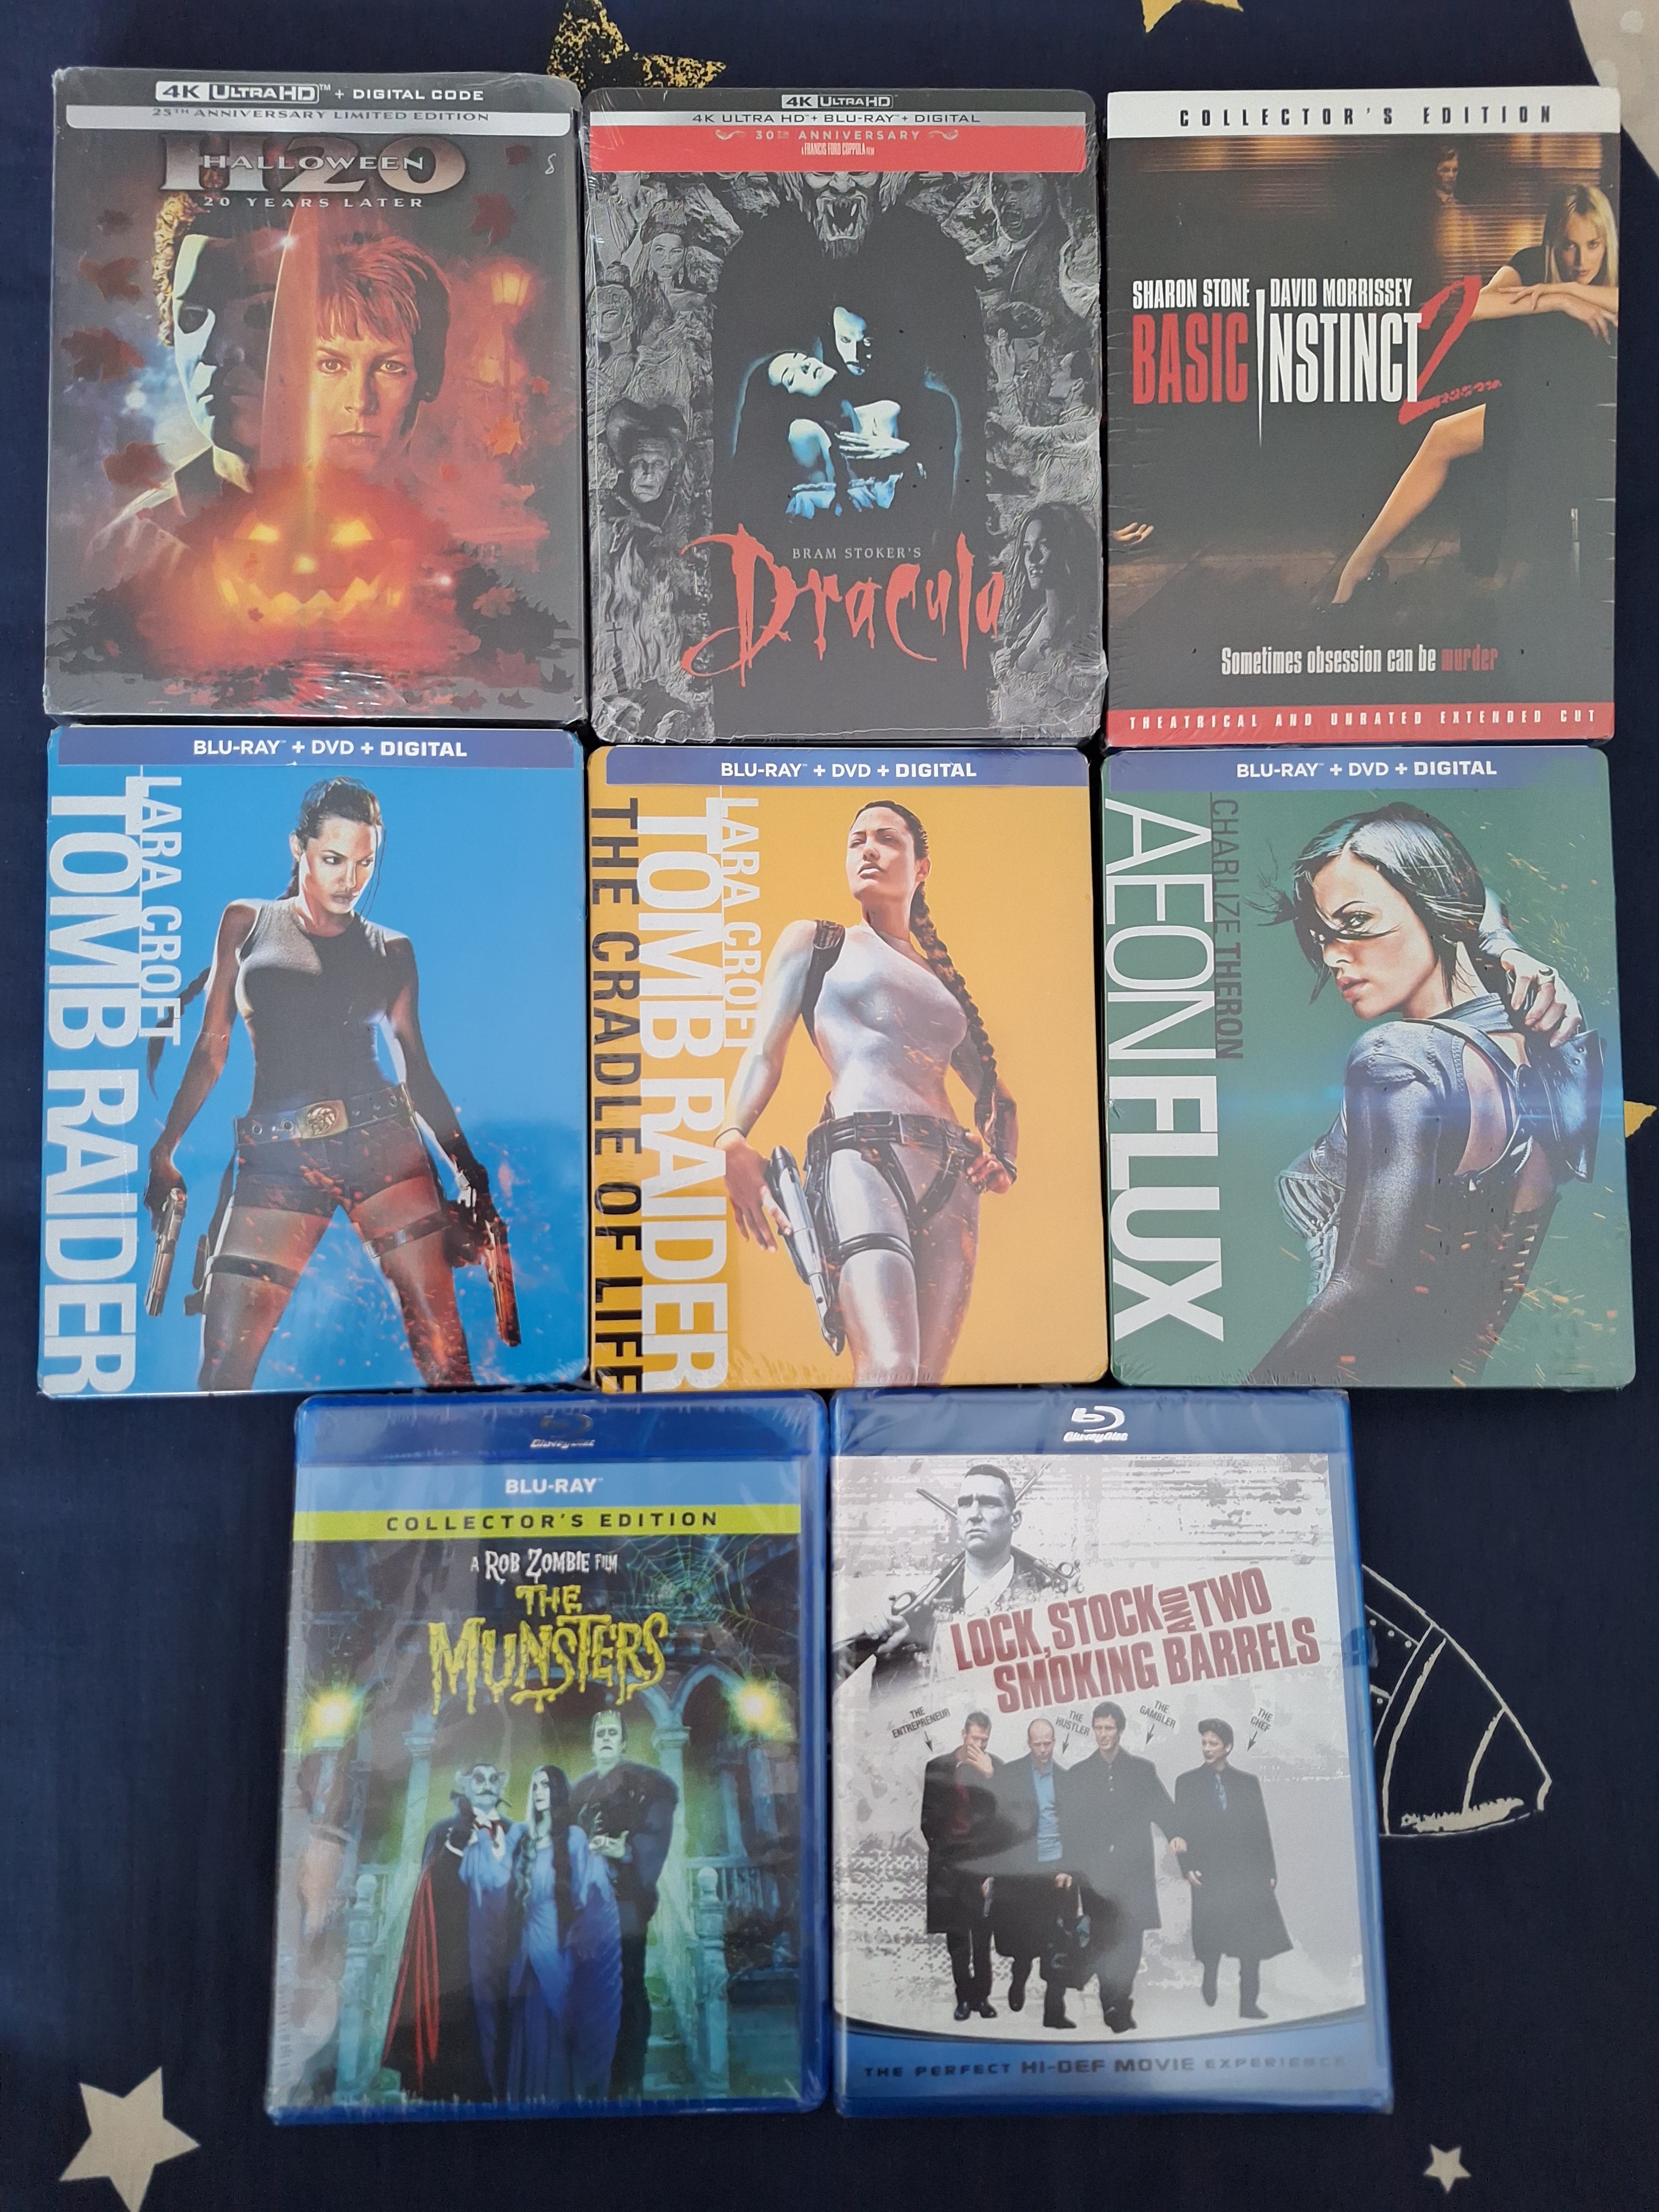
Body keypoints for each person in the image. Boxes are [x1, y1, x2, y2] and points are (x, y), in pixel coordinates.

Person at [143, 776, 505, 1391]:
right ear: (299, 847)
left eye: (364, 862)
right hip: (277, 1155)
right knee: (223, 1369)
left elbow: (415, 1070)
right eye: (334, 859)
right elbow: (212, 1048)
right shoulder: (246, 922)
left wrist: (468, 1169)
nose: (350, 879)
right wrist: (165, 1150)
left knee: (446, 1359)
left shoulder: (393, 950)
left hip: (383, 1145)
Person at [1248, 802, 1603, 1386]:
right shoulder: (1549, 1049)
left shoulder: (1397, 1058)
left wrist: (1241, 1405)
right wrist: (1503, 945)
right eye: (1323, 934)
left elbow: (1366, 1286)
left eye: (1356, 922)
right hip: (1441, 1392)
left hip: (1332, 1390)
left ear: (1438, 902)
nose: (1333, 955)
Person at [718, 800, 1017, 1386]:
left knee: (926, 1379)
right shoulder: (818, 943)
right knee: (888, 1365)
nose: (868, 851)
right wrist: (733, 1135)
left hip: (952, 1176)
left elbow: (998, 1097)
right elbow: (764, 1050)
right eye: (857, 842)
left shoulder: (942, 981)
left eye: (886, 839)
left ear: (921, 868)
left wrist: (1004, 1159)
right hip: (861, 1157)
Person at [1331, 183, 1618, 605]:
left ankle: (1367, 566)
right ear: (1553, 241)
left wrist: (1568, 291)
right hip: (1532, 410)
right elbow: (1474, 306)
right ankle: (1360, 565)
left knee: (1460, 441)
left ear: (1607, 240)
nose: (1581, 260)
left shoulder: (1619, 275)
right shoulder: (1533, 263)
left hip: (1592, 427)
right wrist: (1555, 301)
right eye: (1569, 246)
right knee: (1441, 436)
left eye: (1593, 245)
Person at [92, 199, 288, 576]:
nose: (215, 353)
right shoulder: (127, 548)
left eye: (261, 314)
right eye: (193, 317)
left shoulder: (391, 521)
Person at [834, 1463, 1056, 1696]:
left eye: (989, 1503)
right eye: (965, 1504)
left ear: (1015, 1520)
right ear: (958, 1519)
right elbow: (889, 1707)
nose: (975, 1515)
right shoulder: (919, 1614)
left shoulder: (1049, 1598)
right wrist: (894, 1655)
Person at [382, 1761, 517, 2102]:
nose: (486, 1784)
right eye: (479, 1778)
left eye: (493, 1778)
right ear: (466, 1785)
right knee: (458, 2020)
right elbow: (429, 1891)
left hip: (501, 1947)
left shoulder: (514, 1832)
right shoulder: (443, 1831)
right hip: (454, 1949)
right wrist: (455, 1850)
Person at [568, 1708, 679, 2098]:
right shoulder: (578, 1791)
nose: (606, 1739)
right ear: (592, 1743)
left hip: (625, 1904)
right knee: (586, 1986)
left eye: (613, 1733)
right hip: (585, 1907)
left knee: (627, 1985)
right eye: (600, 1733)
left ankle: (628, 2077)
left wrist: (625, 1850)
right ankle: (591, 2073)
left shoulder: (647, 1786)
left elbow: (656, 1832)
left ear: (624, 1742)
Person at [1057, 1702, 1185, 2033]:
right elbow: (1069, 1827)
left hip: (1133, 1871)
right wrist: (1067, 1867)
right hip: (1096, 1874)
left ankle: (1121, 1996)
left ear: (1121, 1731)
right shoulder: (1078, 1775)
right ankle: (1111, 2004)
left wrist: (1175, 1834)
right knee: (1102, 1938)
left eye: (1109, 1728)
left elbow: (1164, 1808)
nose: (1103, 1735)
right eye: (1098, 1728)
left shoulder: (1141, 1771)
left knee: (1130, 1938)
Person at [506, 1765, 623, 2102]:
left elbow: (587, 1890)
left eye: (546, 1785)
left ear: (558, 1791)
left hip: (556, 1948)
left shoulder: (573, 1838)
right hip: (524, 1951)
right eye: (535, 1786)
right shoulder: (524, 1839)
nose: (539, 1792)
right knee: (526, 2028)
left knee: (555, 2025)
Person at [303, 231, 449, 480]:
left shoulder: (463, 506)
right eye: (331, 365)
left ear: (431, 377)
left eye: (391, 367)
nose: (360, 401)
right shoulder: (255, 502)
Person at [1173, 1720, 1291, 2021]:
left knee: (1251, 1942)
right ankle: (1210, 1976)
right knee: (1212, 1935)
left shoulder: (1247, 1783)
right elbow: (1181, 1830)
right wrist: (1187, 1867)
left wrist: (1269, 1870)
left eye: (1213, 1743)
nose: (1207, 1749)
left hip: (1246, 1873)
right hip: (1209, 1873)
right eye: (1204, 1743)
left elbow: (1260, 1828)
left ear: (1228, 1747)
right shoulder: (1187, 1783)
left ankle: (1248, 2004)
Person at [990, 1717, 1076, 2028]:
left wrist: (1068, 1867)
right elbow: (997, 1825)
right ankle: (1020, 1975)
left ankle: (1054, 2012)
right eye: (1037, 1744)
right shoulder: (1010, 1775)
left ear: (1054, 1743)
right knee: (1025, 1940)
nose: (1043, 1750)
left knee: (1058, 1943)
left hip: (1056, 1870)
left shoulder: (1067, 1780)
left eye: (1047, 1743)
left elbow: (1076, 1829)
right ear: (1029, 1744)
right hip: (1023, 1872)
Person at [919, 1713, 1003, 2021]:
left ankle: (982, 1998)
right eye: (975, 1738)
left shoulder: (995, 1768)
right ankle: (963, 1998)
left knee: (982, 1937)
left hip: (981, 1864)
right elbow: (927, 1819)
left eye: (985, 1740)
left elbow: (1003, 1819)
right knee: (957, 1939)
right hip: (949, 1864)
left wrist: (989, 1777)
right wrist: (944, 1856)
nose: (979, 1745)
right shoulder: (938, 1767)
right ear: (963, 1734)